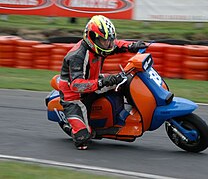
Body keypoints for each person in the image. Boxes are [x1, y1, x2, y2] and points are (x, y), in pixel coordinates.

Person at [58, 15, 147, 150]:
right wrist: (102, 82)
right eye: (104, 40)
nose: (108, 44)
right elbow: (76, 85)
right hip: (74, 96)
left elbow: (116, 45)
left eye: (109, 40)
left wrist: (132, 46)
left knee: (125, 80)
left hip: (93, 82)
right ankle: (79, 129)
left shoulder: (99, 46)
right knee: (83, 140)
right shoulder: (78, 56)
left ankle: (124, 113)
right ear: (92, 37)